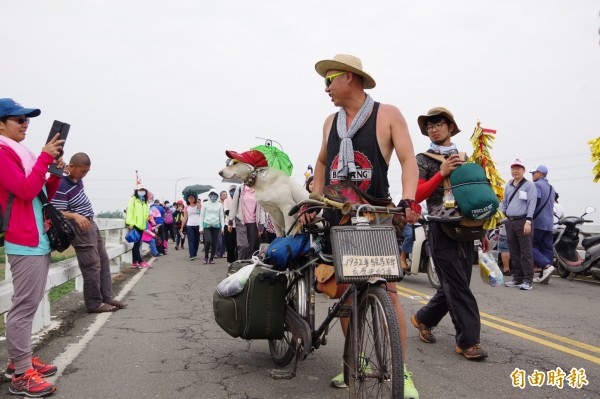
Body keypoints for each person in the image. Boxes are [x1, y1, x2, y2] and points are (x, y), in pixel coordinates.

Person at [311, 54, 420, 397]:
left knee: (387, 290)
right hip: (335, 216)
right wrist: (315, 199)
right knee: (345, 293)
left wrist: (410, 198)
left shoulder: (387, 114)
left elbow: (407, 160)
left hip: (375, 214)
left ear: (349, 78)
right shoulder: (330, 122)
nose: (326, 88)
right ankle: (356, 363)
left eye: (330, 80)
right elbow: (321, 161)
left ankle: (400, 373)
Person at [409, 107, 489, 362]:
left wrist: (483, 229)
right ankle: (468, 341)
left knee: (457, 285)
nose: (434, 128)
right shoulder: (421, 159)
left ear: (450, 127)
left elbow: (474, 195)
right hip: (439, 227)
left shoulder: (463, 156)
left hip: (466, 228)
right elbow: (416, 194)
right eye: (429, 125)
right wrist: (441, 174)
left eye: (439, 123)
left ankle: (423, 318)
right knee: (456, 284)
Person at [0, 98, 64, 397]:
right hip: (23, 240)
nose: (25, 124)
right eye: (18, 120)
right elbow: (24, 190)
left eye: (27, 119)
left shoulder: (21, 155)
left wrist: (52, 170)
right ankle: (21, 374)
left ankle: (18, 362)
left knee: (30, 302)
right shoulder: (2, 154)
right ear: (1, 124)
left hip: (37, 237)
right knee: (24, 307)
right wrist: (42, 159)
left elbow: (39, 193)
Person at [51, 152, 127, 313]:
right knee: (91, 265)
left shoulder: (76, 179)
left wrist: (67, 169)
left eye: (87, 171)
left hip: (90, 223)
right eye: (82, 171)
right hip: (79, 227)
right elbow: (56, 211)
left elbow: (70, 170)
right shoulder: (60, 185)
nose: (84, 174)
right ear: (72, 167)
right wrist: (75, 216)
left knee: (104, 261)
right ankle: (94, 304)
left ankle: (106, 298)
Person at [499, 159, 538, 290]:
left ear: (524, 170)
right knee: (513, 252)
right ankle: (517, 277)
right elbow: (504, 203)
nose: (515, 171)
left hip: (523, 221)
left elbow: (532, 204)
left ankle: (528, 280)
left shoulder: (529, 185)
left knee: (525, 252)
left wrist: (528, 221)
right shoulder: (509, 186)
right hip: (510, 221)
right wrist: (502, 216)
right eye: (513, 168)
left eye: (518, 168)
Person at [529, 165, 556, 284]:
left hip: (538, 222)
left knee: (530, 246)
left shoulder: (537, 185)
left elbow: (536, 201)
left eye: (533, 173)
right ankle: (544, 276)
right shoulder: (551, 188)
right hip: (549, 223)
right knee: (547, 249)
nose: (532, 175)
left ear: (540, 173)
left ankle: (545, 266)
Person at [228, 183, 264, 260]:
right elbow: (234, 205)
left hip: (254, 222)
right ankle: (240, 263)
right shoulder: (240, 189)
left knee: (251, 247)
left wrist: (261, 224)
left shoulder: (258, 190)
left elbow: (261, 209)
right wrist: (230, 221)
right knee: (243, 245)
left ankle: (247, 265)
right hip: (241, 221)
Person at [126, 184, 151, 269]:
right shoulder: (133, 200)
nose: (142, 192)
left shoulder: (145, 201)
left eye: (143, 190)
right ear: (136, 191)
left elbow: (146, 213)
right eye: (140, 190)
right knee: (137, 244)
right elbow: (130, 211)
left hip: (141, 225)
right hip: (135, 224)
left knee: (137, 243)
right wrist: (130, 223)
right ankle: (140, 262)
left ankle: (134, 262)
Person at [200, 189, 225, 264]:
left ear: (217, 195)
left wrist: (223, 227)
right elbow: (201, 216)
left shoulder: (219, 204)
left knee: (214, 243)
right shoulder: (205, 204)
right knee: (208, 241)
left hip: (216, 225)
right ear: (209, 195)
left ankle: (211, 258)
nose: (213, 196)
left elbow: (221, 216)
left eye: (215, 194)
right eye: (212, 194)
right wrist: (201, 227)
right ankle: (206, 256)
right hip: (207, 225)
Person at [180, 193, 201, 261]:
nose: (191, 199)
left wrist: (199, 207)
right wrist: (182, 227)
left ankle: (194, 253)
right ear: (187, 199)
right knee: (191, 240)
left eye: (192, 197)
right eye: (189, 198)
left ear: (195, 198)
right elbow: (185, 218)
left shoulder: (199, 206)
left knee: (197, 240)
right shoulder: (186, 207)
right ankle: (191, 255)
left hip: (198, 225)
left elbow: (202, 215)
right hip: (190, 225)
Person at [223, 185, 237, 264]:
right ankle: (230, 262)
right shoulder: (226, 201)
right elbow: (226, 211)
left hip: (238, 225)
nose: (233, 192)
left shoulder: (239, 200)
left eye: (235, 191)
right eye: (231, 191)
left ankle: (237, 260)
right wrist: (235, 214)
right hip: (229, 225)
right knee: (230, 245)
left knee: (237, 245)